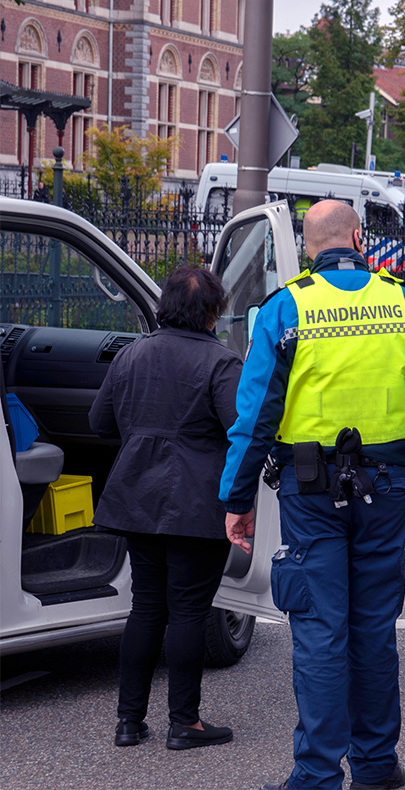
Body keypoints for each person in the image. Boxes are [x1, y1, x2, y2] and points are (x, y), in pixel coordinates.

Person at [220, 200, 405, 790]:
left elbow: (256, 414)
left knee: (318, 629)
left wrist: (237, 499)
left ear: (310, 247)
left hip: (310, 493)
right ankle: (378, 767)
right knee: (372, 629)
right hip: (385, 487)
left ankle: (314, 777)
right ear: (359, 238)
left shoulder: (286, 309)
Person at [89, 267, 241, 751]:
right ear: (213, 311)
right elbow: (240, 431)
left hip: (136, 496)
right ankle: (184, 722)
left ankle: (129, 722)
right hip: (195, 503)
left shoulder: (131, 354)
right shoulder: (221, 363)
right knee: (190, 611)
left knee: (146, 607)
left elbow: (98, 422)